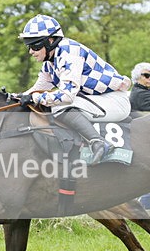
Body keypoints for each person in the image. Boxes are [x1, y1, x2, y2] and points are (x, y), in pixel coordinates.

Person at [17, 14, 131, 165]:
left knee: (59, 105)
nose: (30, 51)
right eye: (28, 46)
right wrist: (14, 97)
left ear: (50, 41)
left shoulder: (68, 51)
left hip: (114, 101)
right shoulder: (50, 62)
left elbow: (66, 96)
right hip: (98, 101)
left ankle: (98, 142)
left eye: (34, 46)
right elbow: (37, 89)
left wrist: (35, 98)